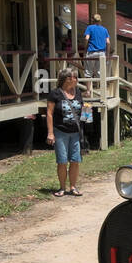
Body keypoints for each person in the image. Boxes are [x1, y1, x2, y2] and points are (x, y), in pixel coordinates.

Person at [46, 67, 87, 197]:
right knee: (62, 161)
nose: (76, 79)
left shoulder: (78, 92)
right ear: (66, 79)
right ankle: (62, 188)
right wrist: (50, 133)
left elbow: (83, 108)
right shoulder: (55, 93)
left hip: (75, 132)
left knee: (75, 160)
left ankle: (73, 187)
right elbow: (49, 113)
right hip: (60, 132)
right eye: (73, 77)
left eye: (76, 77)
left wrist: (86, 116)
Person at [84, 13, 109, 79]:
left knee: (88, 72)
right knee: (100, 72)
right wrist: (107, 54)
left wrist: (85, 50)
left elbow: (86, 38)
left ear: (92, 20)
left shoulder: (89, 28)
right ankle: (102, 88)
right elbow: (108, 42)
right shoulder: (104, 29)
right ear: (100, 20)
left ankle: (89, 89)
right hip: (102, 53)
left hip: (91, 52)